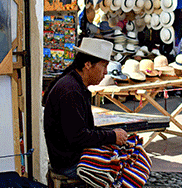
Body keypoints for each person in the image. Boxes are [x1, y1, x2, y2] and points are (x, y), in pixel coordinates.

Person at [43, 38, 128, 179]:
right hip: (69, 163)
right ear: (88, 65)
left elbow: (83, 131)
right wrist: (112, 136)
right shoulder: (71, 90)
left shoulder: (75, 85)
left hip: (71, 155)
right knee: (124, 169)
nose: (106, 72)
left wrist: (112, 134)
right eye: (103, 66)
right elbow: (78, 137)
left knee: (126, 152)